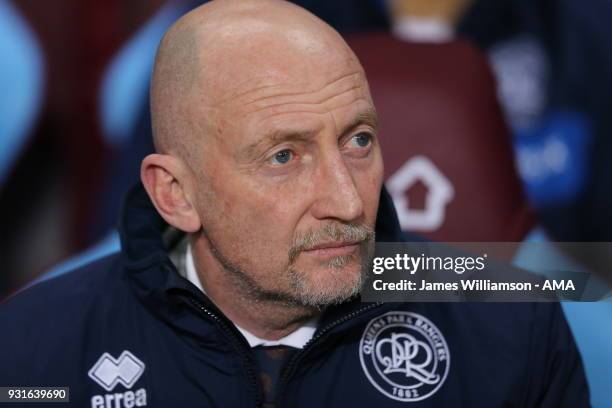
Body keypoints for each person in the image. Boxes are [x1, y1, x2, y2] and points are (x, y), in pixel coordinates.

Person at [0, 1, 589, 407]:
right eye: (283, 156)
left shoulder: (516, 333)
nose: (348, 199)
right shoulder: (32, 354)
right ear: (175, 196)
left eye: (359, 141)